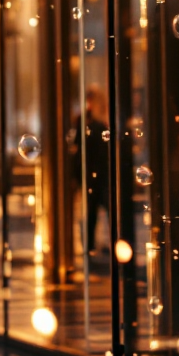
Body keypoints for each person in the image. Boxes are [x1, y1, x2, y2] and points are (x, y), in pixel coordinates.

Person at [70, 84, 112, 257]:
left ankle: (104, 243)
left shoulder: (102, 120)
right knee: (92, 210)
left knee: (104, 208)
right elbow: (78, 147)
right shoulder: (85, 120)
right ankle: (90, 245)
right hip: (91, 171)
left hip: (102, 171)